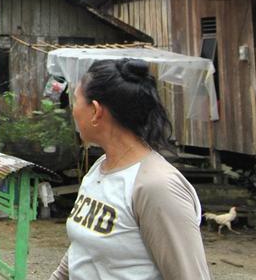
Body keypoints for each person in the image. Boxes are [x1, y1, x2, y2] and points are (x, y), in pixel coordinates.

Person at [49, 58, 211, 280]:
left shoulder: (157, 186)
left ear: (95, 111)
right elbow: (83, 249)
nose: (72, 110)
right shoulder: (99, 169)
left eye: (75, 101)